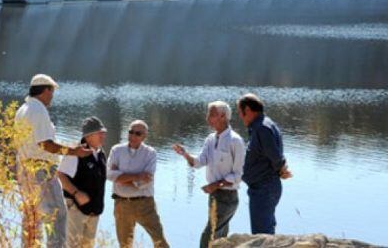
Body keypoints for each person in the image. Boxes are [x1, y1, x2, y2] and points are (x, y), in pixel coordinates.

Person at [15, 74, 93, 248]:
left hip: (24, 168)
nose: (52, 96)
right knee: (57, 215)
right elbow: (45, 144)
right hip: (40, 169)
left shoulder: (23, 109)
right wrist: (75, 152)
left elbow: (35, 142)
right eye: (52, 92)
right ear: (45, 90)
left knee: (32, 215)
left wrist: (68, 148)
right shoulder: (39, 110)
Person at [173, 101, 246, 248]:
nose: (207, 118)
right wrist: (185, 154)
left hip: (228, 197)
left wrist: (216, 185)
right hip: (214, 196)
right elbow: (198, 162)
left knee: (208, 237)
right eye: (208, 114)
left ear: (223, 116)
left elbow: (238, 175)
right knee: (220, 240)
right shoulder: (210, 139)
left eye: (211, 114)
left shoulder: (236, 141)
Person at [106, 120, 169, 248]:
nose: (133, 136)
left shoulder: (150, 153)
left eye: (137, 133)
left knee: (159, 240)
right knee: (125, 244)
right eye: (131, 132)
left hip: (145, 204)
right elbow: (109, 175)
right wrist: (137, 177)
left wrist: (121, 178)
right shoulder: (116, 150)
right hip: (121, 204)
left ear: (144, 136)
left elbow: (145, 182)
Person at [236, 93, 292, 235]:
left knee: (262, 236)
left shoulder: (262, 128)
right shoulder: (263, 125)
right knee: (265, 233)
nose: (240, 117)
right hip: (263, 188)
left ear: (247, 110)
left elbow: (275, 156)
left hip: (264, 189)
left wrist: (281, 168)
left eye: (240, 113)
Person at [57, 117, 108, 248]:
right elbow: (60, 175)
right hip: (75, 210)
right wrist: (76, 193)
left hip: (94, 211)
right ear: (88, 136)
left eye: (103, 132)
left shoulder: (101, 153)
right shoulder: (76, 152)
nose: (103, 135)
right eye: (99, 133)